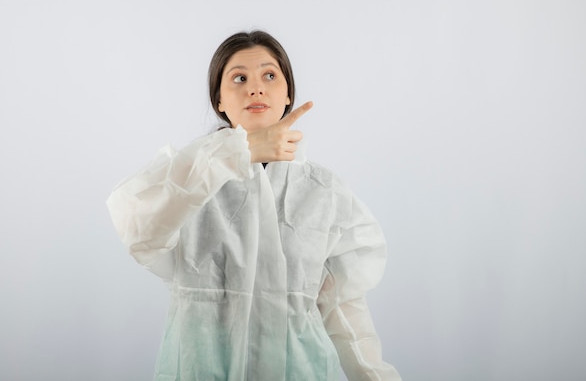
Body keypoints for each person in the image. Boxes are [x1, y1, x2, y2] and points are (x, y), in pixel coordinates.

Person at [107, 30, 402, 381]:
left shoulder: (324, 192)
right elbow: (137, 226)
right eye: (239, 78)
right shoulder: (187, 178)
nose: (255, 88)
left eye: (269, 76)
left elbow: (343, 307)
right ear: (219, 99)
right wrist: (236, 152)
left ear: (287, 93)